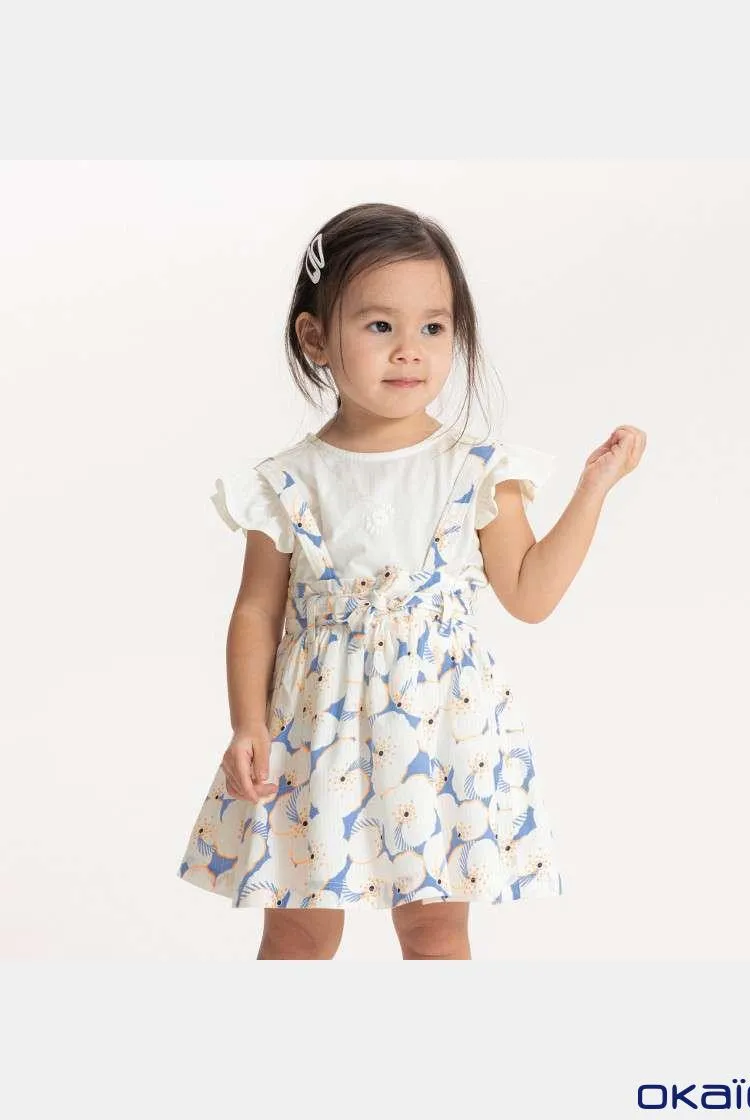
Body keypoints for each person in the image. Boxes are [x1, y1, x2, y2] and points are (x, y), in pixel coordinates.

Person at [176, 201, 646, 960]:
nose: (409, 351)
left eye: (433, 327)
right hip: (314, 735)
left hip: (437, 734)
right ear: (315, 338)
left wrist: (594, 488)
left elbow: (529, 595)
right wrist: (247, 724)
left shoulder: (478, 470)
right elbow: (257, 610)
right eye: (379, 325)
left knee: (434, 928)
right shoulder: (287, 481)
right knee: (297, 927)